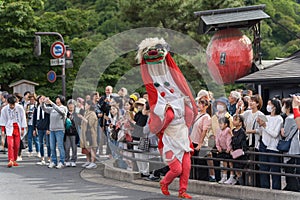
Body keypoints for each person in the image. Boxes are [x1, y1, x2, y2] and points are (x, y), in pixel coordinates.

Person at [137, 38, 198, 199]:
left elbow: (190, 112)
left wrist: (187, 108)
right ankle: (164, 182)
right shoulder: (156, 91)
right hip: (168, 138)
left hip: (182, 133)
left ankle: (182, 191)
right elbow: (162, 111)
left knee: (187, 166)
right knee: (176, 169)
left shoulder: (174, 83)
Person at [257, 99, 283, 190]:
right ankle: (265, 189)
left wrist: (265, 126)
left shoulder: (279, 118)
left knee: (275, 171)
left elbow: (275, 134)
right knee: (263, 170)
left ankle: (276, 190)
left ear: (274, 106)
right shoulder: (265, 116)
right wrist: (260, 125)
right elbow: (261, 132)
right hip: (263, 144)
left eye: (269, 104)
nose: (267, 106)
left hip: (273, 147)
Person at [209, 97, 233, 182]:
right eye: (218, 104)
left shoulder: (229, 117)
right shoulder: (214, 117)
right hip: (216, 141)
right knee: (216, 161)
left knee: (228, 161)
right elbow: (210, 128)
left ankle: (228, 177)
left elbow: (231, 130)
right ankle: (218, 177)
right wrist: (211, 135)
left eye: (222, 104)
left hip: (226, 144)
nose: (219, 106)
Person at [190, 90, 211, 180]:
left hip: (201, 142)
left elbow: (204, 131)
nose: (199, 105)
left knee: (201, 163)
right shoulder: (198, 114)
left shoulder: (206, 117)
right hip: (193, 140)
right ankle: (194, 177)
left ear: (206, 106)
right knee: (194, 162)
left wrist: (200, 143)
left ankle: (203, 179)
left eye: (201, 103)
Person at [0, 95, 27, 167]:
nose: (12, 106)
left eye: (13, 104)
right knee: (10, 144)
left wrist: (22, 129)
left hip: (17, 127)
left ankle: (14, 159)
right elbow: (3, 119)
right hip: (9, 128)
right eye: (11, 104)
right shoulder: (4, 109)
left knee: (17, 145)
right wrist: (3, 130)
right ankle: (10, 159)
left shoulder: (20, 108)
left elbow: (23, 118)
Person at [42, 95, 68, 169]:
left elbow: (60, 111)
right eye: (56, 99)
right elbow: (45, 109)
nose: (57, 100)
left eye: (58, 99)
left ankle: (62, 161)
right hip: (52, 130)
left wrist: (51, 103)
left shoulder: (64, 108)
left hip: (60, 129)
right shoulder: (52, 108)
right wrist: (42, 103)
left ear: (61, 100)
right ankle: (53, 161)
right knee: (52, 146)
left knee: (60, 146)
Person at [281, 98, 300, 191]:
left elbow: (285, 133)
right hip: (297, 147)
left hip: (291, 147)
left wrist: (281, 130)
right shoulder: (295, 117)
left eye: (284, 105)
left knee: (290, 169)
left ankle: (293, 188)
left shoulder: (289, 119)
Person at [79, 100, 98, 169]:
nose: (85, 106)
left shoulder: (92, 114)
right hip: (85, 133)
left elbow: (90, 123)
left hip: (91, 133)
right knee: (86, 147)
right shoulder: (86, 112)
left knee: (92, 148)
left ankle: (93, 162)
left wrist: (82, 118)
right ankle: (88, 160)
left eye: (86, 105)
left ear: (89, 106)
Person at [216, 117, 235, 184]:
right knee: (224, 163)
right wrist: (218, 147)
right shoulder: (218, 130)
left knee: (230, 163)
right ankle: (224, 177)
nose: (220, 125)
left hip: (228, 150)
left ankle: (232, 177)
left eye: (221, 123)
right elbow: (217, 139)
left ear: (226, 124)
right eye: (219, 123)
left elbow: (229, 140)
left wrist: (229, 148)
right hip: (222, 149)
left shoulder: (228, 130)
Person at [33, 95, 51, 165]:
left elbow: (49, 119)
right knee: (41, 143)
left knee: (48, 144)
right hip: (39, 128)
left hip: (46, 128)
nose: (42, 100)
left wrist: (49, 128)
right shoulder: (36, 109)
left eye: (43, 99)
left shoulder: (47, 108)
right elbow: (34, 120)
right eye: (40, 99)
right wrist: (34, 129)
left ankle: (49, 157)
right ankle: (42, 157)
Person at [231, 114, 248, 185]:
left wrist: (232, 137)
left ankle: (241, 183)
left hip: (240, 152)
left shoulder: (242, 131)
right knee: (236, 169)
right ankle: (238, 181)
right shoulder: (233, 130)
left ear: (240, 122)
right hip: (234, 151)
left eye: (236, 120)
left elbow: (238, 141)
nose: (233, 121)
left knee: (240, 169)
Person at [64, 99, 79, 167]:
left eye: (72, 105)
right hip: (66, 133)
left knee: (74, 147)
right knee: (66, 147)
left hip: (74, 133)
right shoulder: (65, 114)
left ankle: (73, 160)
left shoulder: (76, 114)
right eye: (69, 105)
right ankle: (66, 159)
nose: (71, 106)